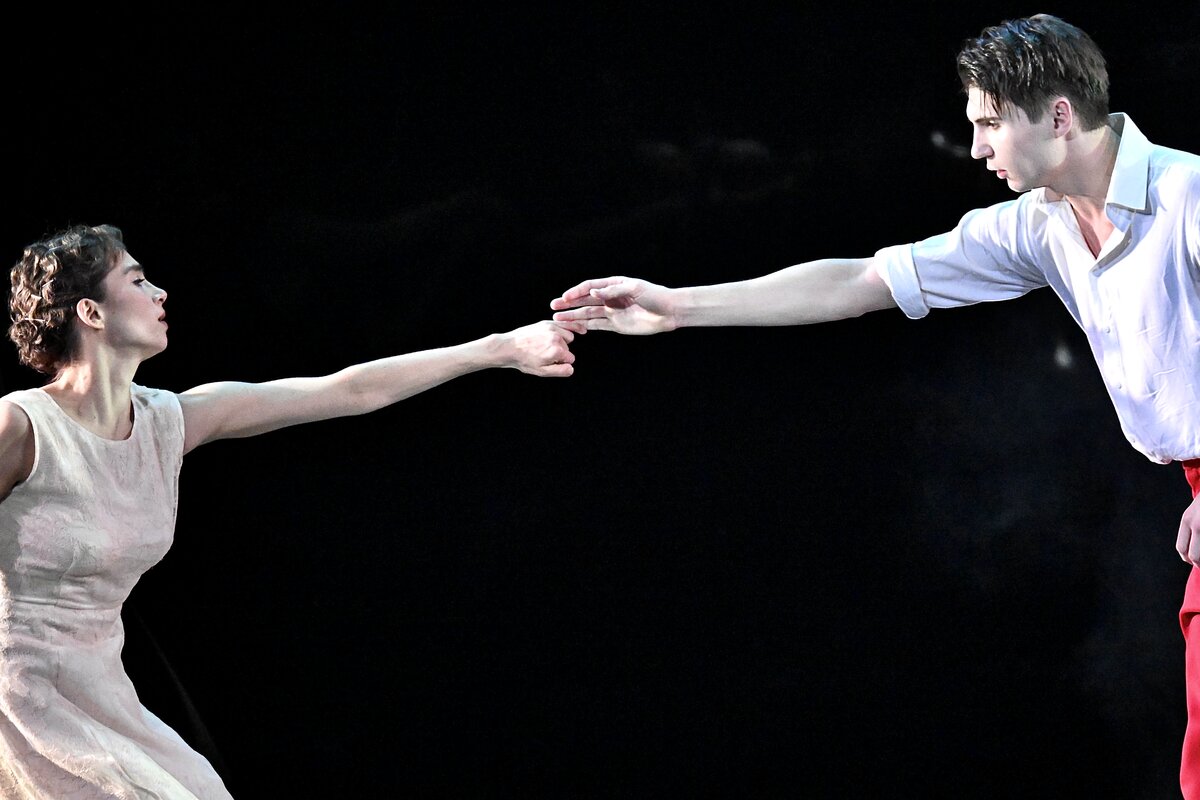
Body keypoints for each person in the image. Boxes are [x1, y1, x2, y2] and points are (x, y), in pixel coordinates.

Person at [549, 13, 1200, 795]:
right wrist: (678, 306)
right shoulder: (1040, 226)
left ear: (1059, 115)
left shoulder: (1187, 194)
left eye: (990, 124)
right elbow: (863, 281)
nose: (976, 148)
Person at [0, 223, 582, 799]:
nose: (160, 293)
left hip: (100, 690)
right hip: (19, 695)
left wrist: (501, 348)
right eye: (138, 280)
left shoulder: (166, 423)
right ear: (91, 312)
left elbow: (348, 390)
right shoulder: (22, 426)